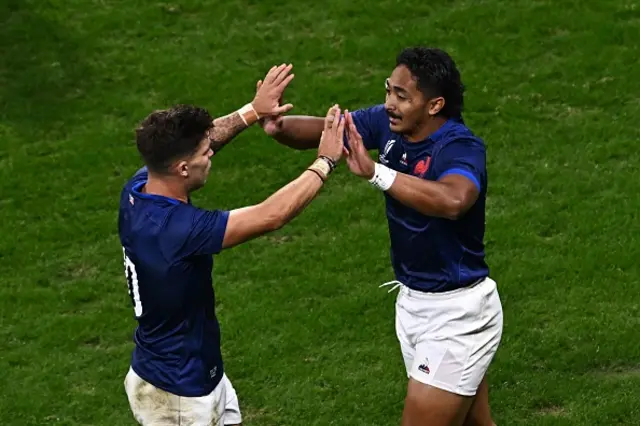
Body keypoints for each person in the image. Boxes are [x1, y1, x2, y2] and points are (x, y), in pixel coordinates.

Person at [260, 48, 503, 426]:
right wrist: (279, 126)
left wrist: (376, 173)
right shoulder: (389, 125)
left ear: (435, 105)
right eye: (389, 90)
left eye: (402, 96)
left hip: (458, 315)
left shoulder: (459, 147)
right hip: (414, 303)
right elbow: (330, 130)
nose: (390, 102)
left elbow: (454, 200)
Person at [118, 63, 346, 425]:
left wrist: (253, 111)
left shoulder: (139, 187)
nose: (211, 156)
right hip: (177, 395)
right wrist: (326, 161)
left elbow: (211, 140)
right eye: (203, 155)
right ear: (181, 168)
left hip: (186, 373)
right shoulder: (178, 231)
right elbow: (271, 215)